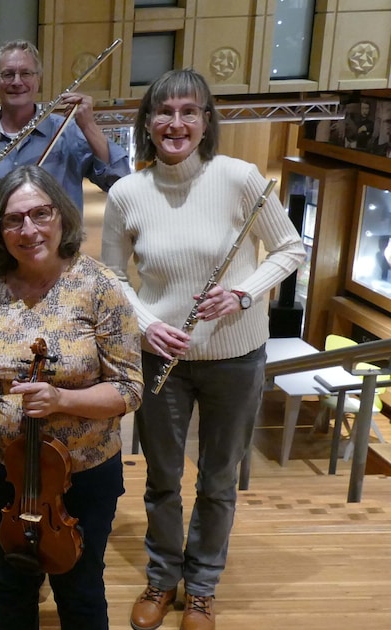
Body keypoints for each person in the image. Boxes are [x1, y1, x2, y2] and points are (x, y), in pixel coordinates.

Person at [101, 68, 305, 630]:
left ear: (206, 121)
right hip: (162, 357)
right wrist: (144, 325)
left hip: (237, 357)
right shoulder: (126, 193)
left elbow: (290, 248)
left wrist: (242, 293)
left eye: (189, 111)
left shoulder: (240, 179)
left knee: (219, 479)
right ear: (146, 123)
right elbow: (113, 277)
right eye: (163, 112)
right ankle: (163, 578)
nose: (176, 123)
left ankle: (203, 587)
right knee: (163, 478)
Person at [0, 165, 143, 629]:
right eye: (14, 219)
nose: (28, 230)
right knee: (11, 583)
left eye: (40, 214)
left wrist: (62, 400)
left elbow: (130, 389)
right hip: (3, 469)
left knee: (80, 584)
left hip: (81, 471)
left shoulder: (101, 287)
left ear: (61, 217)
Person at [0, 40, 130, 209]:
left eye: (26, 73)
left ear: (38, 80)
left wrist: (89, 126)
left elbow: (118, 181)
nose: (17, 82)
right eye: (8, 74)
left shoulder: (68, 131)